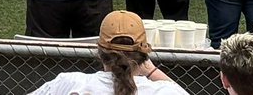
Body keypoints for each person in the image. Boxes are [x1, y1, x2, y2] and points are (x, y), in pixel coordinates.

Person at [25, 10, 187, 94]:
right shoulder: (163, 91)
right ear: (144, 55)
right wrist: (152, 71)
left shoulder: (69, 83)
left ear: (99, 51)